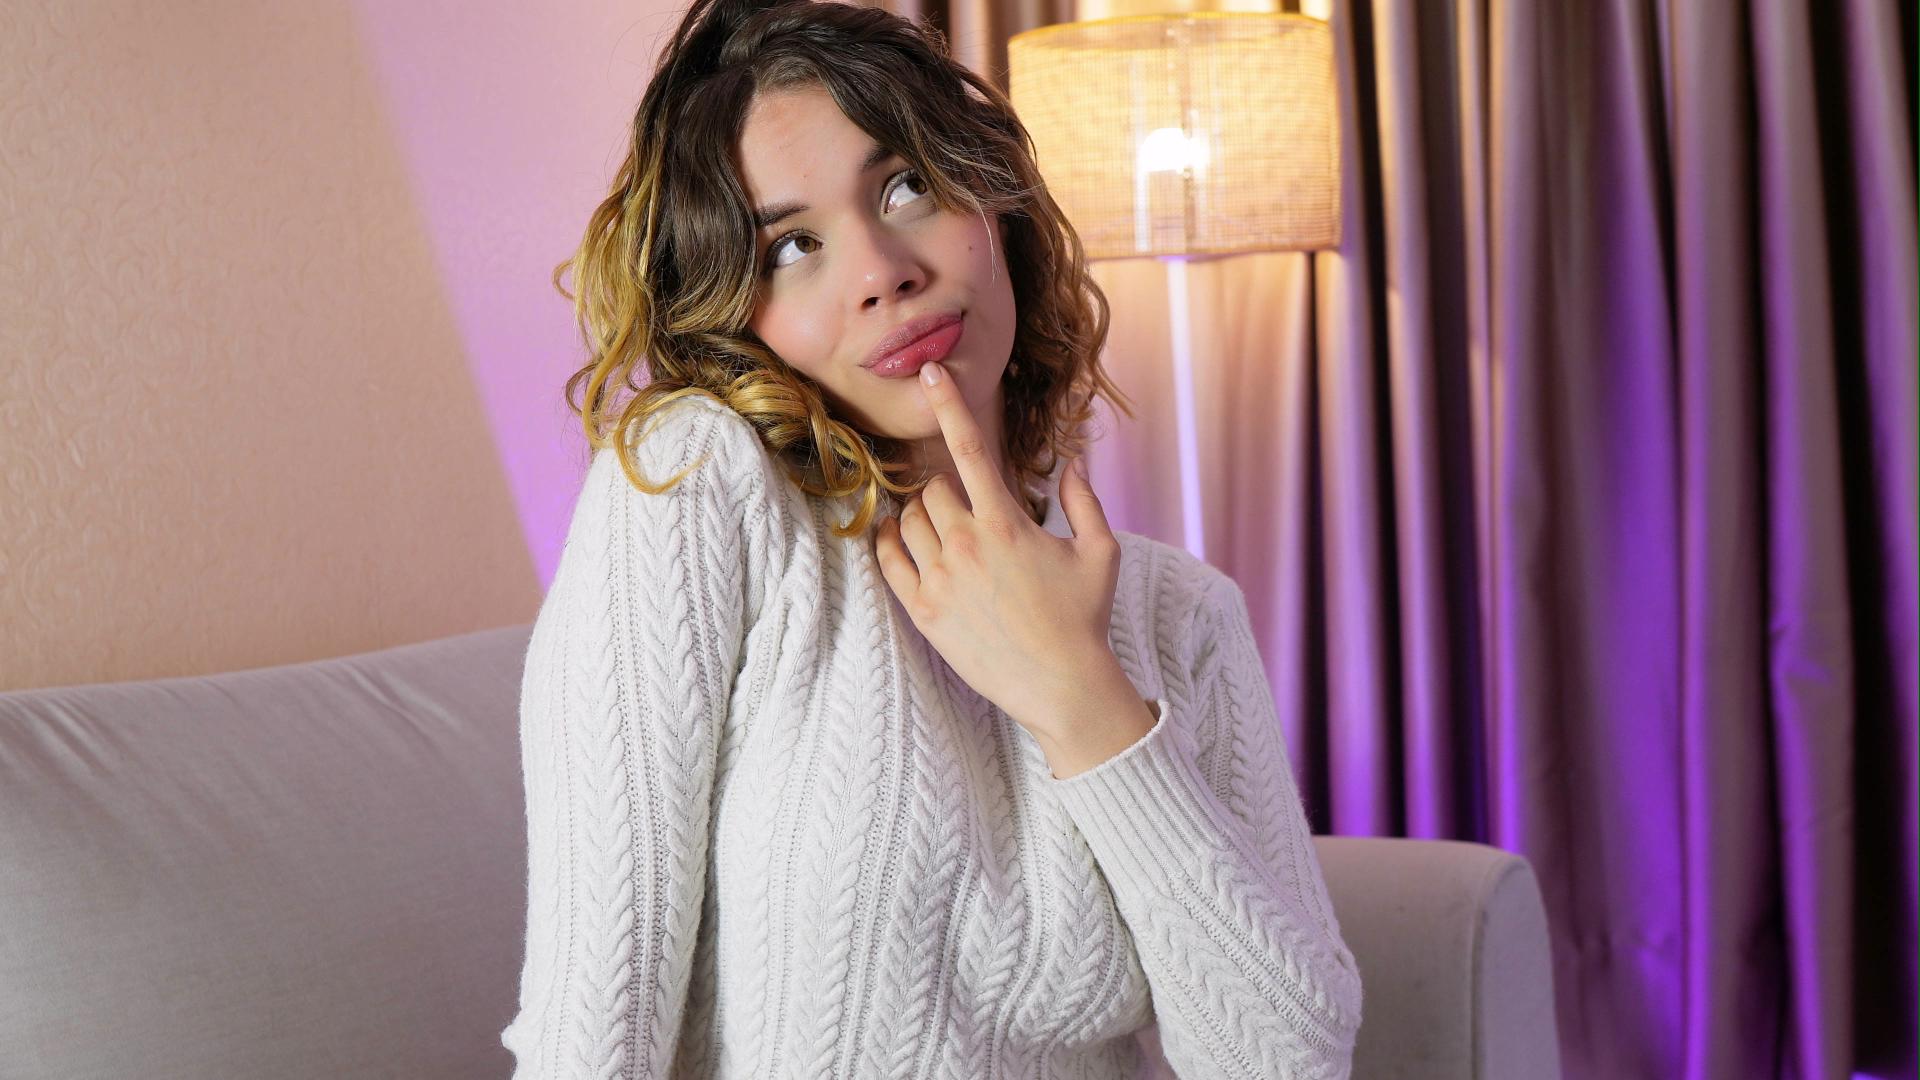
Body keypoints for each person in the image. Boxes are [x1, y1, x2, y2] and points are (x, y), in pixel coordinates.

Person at [500, 0, 1363, 1075]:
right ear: (737, 315)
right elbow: (592, 1032)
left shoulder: (1180, 612)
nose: (881, 271)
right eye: (792, 246)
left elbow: (1287, 1062)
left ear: (993, 202)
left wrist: (1080, 696)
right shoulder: (694, 485)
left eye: (907, 186)